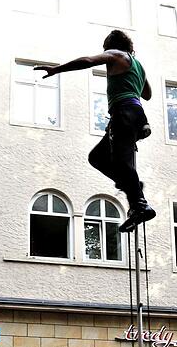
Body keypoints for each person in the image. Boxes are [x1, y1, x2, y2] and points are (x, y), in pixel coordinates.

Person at [34, 29, 155, 232]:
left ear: (111, 47)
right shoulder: (137, 65)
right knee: (97, 157)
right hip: (135, 115)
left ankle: (139, 204)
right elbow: (148, 94)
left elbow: (88, 61)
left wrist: (57, 70)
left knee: (121, 163)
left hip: (124, 113)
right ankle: (132, 188)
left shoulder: (116, 55)